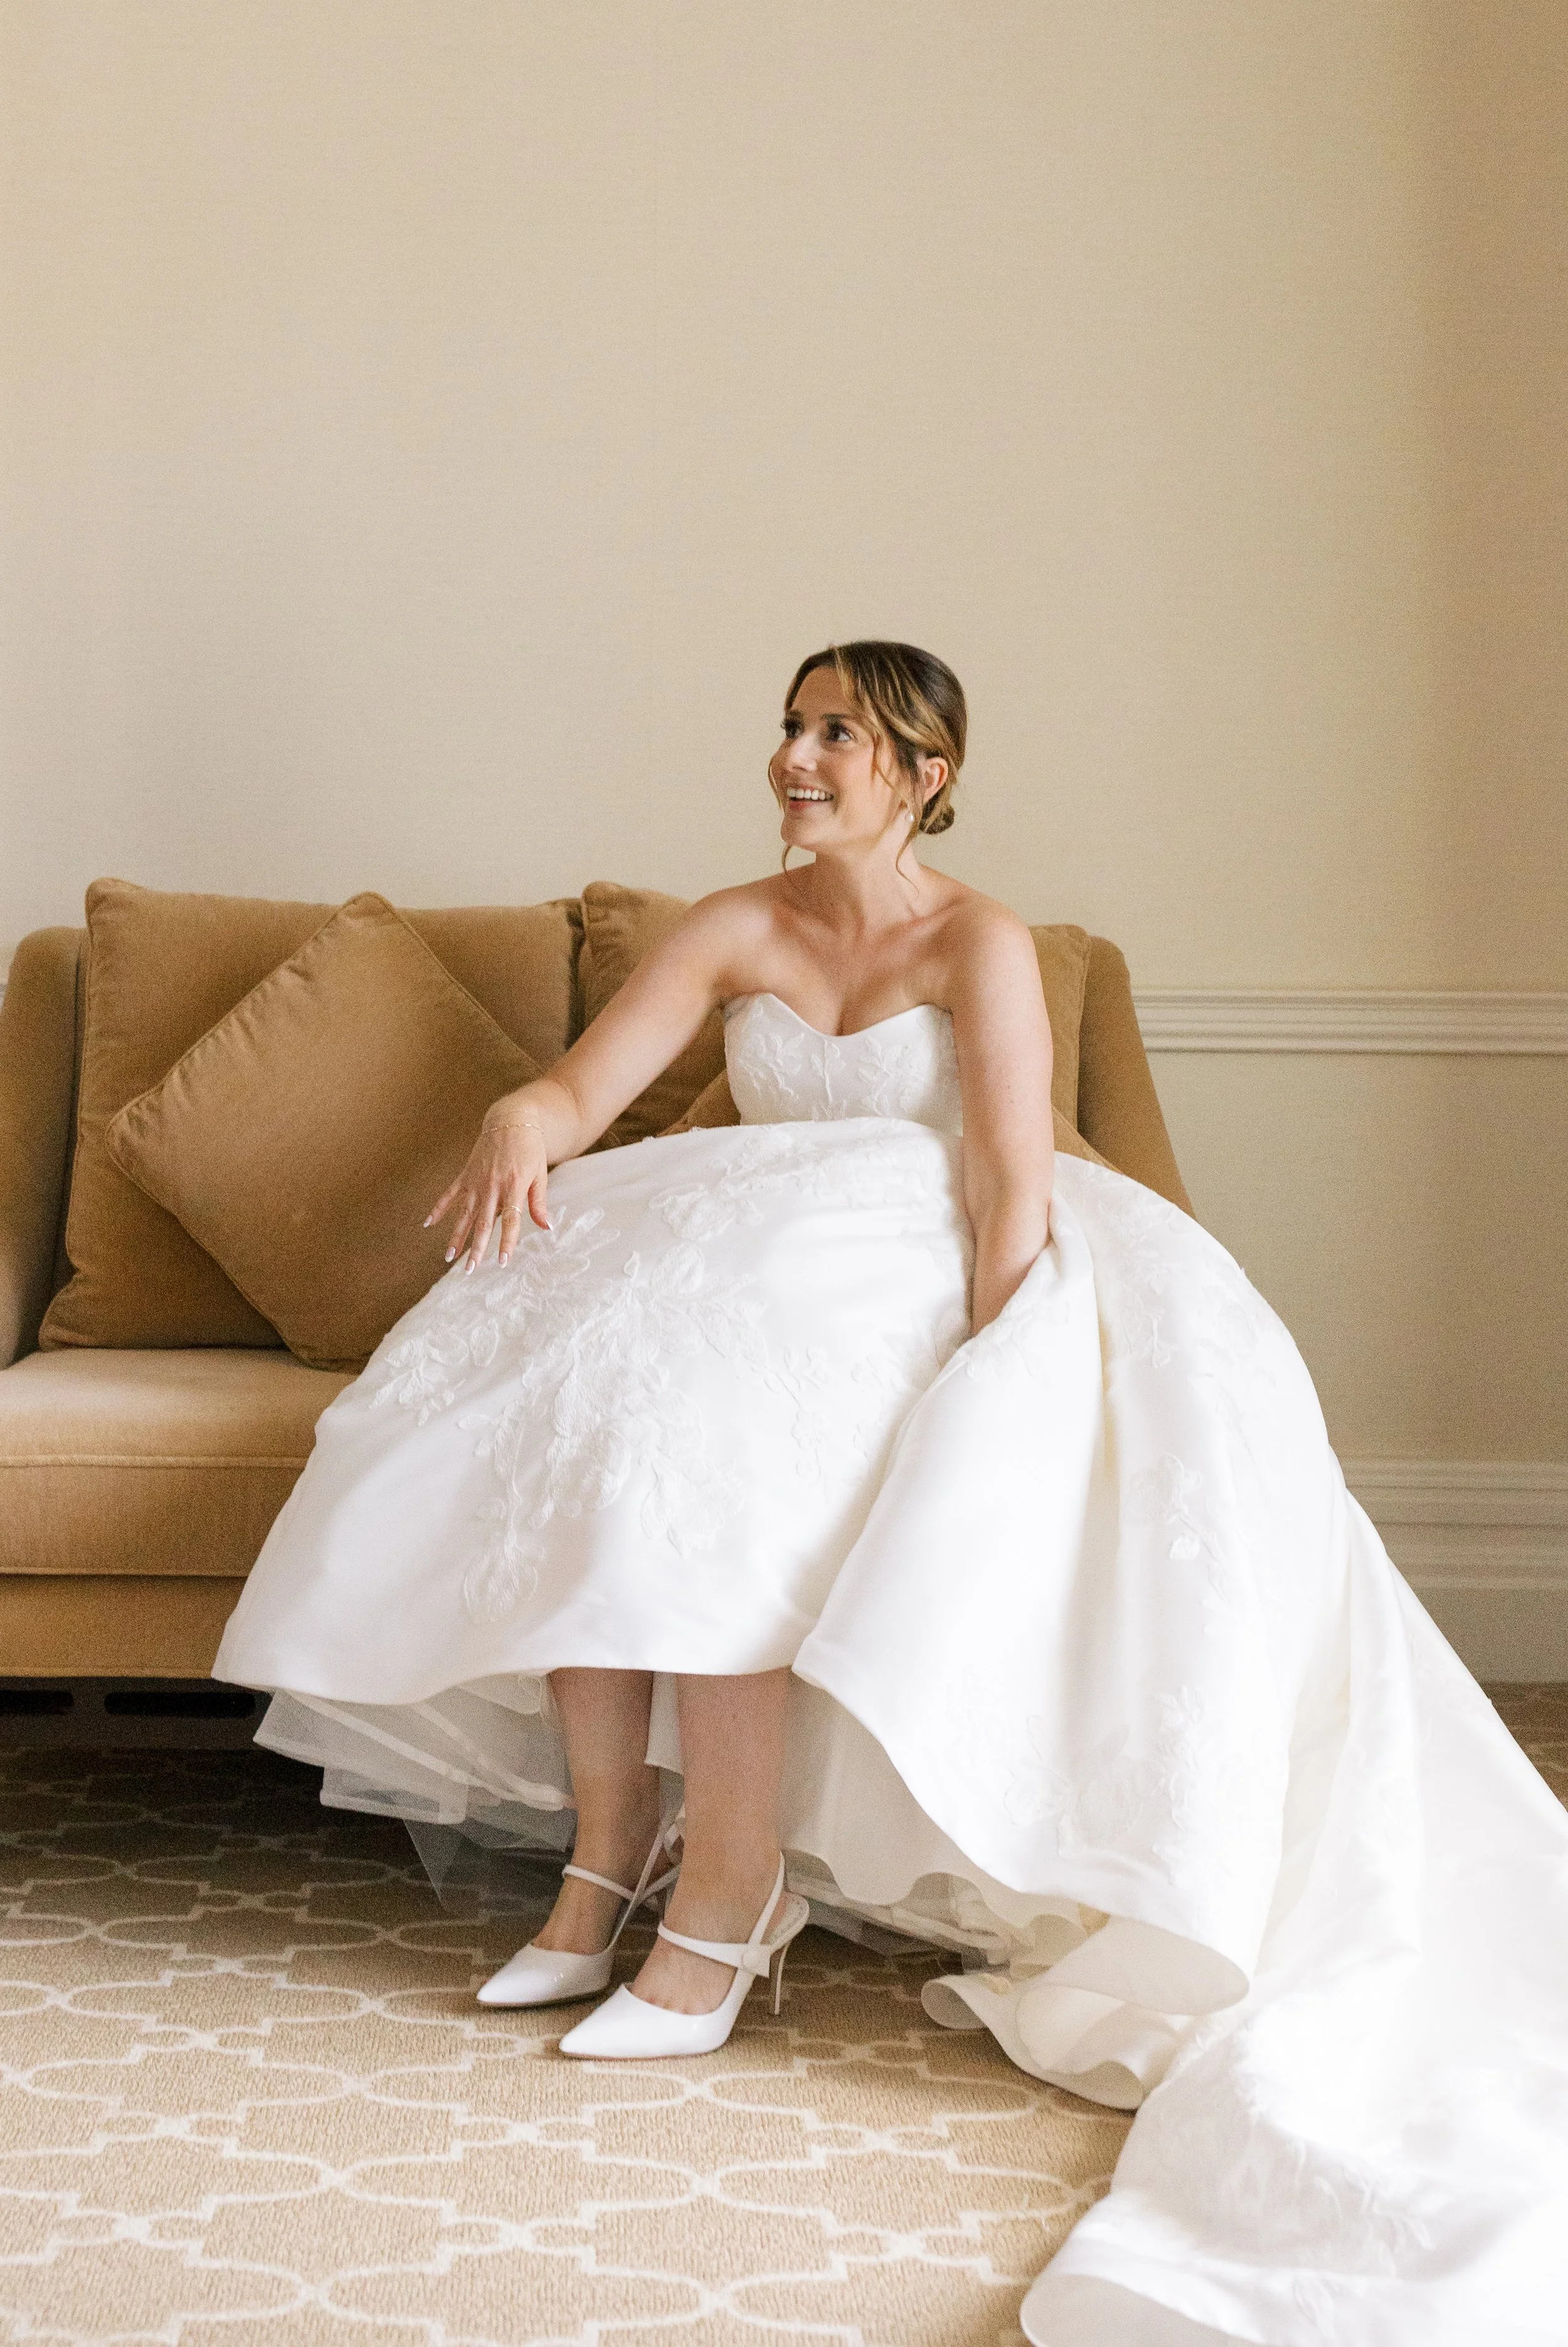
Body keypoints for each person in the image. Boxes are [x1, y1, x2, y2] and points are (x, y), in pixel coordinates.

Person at [216, 642, 1568, 2346]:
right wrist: (524, 1106)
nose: (795, 756)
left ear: (920, 770)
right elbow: (593, 1087)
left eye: (834, 732)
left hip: (909, 1268)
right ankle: (610, 1857)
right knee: (589, 1427)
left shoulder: (980, 941)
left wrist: (999, 1374)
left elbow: (1012, 1174)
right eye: (789, 726)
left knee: (725, 1481)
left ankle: (723, 1895)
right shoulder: (729, 923)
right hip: (739, 1251)